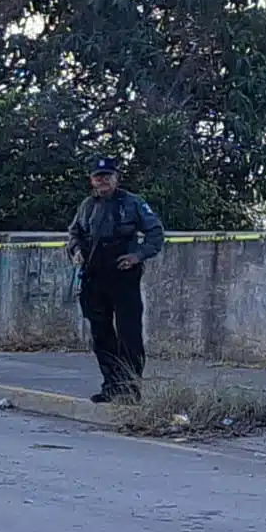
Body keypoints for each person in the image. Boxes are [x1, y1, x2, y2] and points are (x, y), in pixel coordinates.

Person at [65, 157, 166, 403]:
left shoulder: (133, 203)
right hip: (94, 276)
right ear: (92, 180)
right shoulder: (87, 205)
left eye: (108, 176)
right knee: (101, 336)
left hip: (123, 276)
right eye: (99, 177)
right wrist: (75, 249)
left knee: (129, 335)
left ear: (116, 178)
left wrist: (137, 255)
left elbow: (156, 233)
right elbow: (74, 233)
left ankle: (131, 389)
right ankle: (112, 385)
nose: (103, 181)